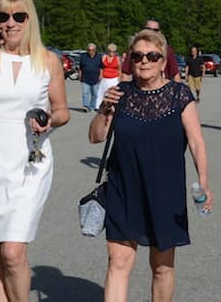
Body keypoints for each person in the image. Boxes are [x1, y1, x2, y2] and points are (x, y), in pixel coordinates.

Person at [0, 0, 70, 302]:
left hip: (29, 165)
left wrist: (50, 119)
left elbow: (63, 110)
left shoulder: (48, 61)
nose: (11, 23)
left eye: (19, 15)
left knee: (12, 253)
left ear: (30, 19)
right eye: (3, 16)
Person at [89, 29, 213, 302]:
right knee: (118, 263)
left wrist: (203, 180)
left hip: (165, 193)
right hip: (124, 189)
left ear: (163, 60)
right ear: (131, 60)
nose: (144, 61)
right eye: (138, 56)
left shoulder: (179, 95)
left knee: (162, 266)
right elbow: (95, 137)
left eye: (152, 55)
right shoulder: (119, 93)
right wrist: (103, 110)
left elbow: (196, 141)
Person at [95, 43, 122, 110]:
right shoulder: (104, 57)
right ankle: (98, 106)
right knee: (101, 92)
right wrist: (100, 75)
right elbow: (101, 67)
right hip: (105, 78)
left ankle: (112, 106)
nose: (112, 53)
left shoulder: (117, 58)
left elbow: (120, 69)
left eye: (113, 51)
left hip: (114, 78)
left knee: (113, 93)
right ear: (108, 51)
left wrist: (120, 78)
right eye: (110, 51)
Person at [79, 43, 103, 112]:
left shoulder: (99, 57)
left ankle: (92, 106)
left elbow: (101, 67)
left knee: (95, 94)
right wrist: (80, 75)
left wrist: (101, 75)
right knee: (85, 93)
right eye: (89, 50)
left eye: (92, 50)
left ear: (95, 50)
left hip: (95, 78)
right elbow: (80, 67)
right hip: (85, 78)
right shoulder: (83, 56)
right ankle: (86, 106)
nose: (91, 51)